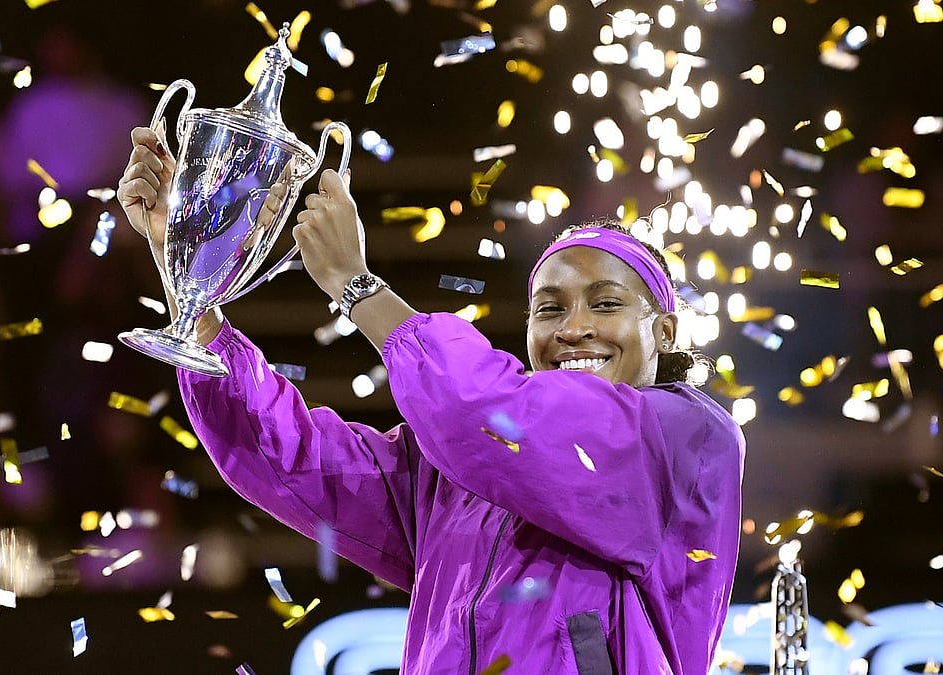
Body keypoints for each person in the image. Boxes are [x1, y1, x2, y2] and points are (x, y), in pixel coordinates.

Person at [117, 125, 746, 674]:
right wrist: (189, 281)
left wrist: (357, 286)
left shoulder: (685, 438)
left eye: (605, 304)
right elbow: (295, 460)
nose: (573, 328)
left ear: (664, 332)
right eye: (548, 309)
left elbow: (495, 418)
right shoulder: (455, 466)